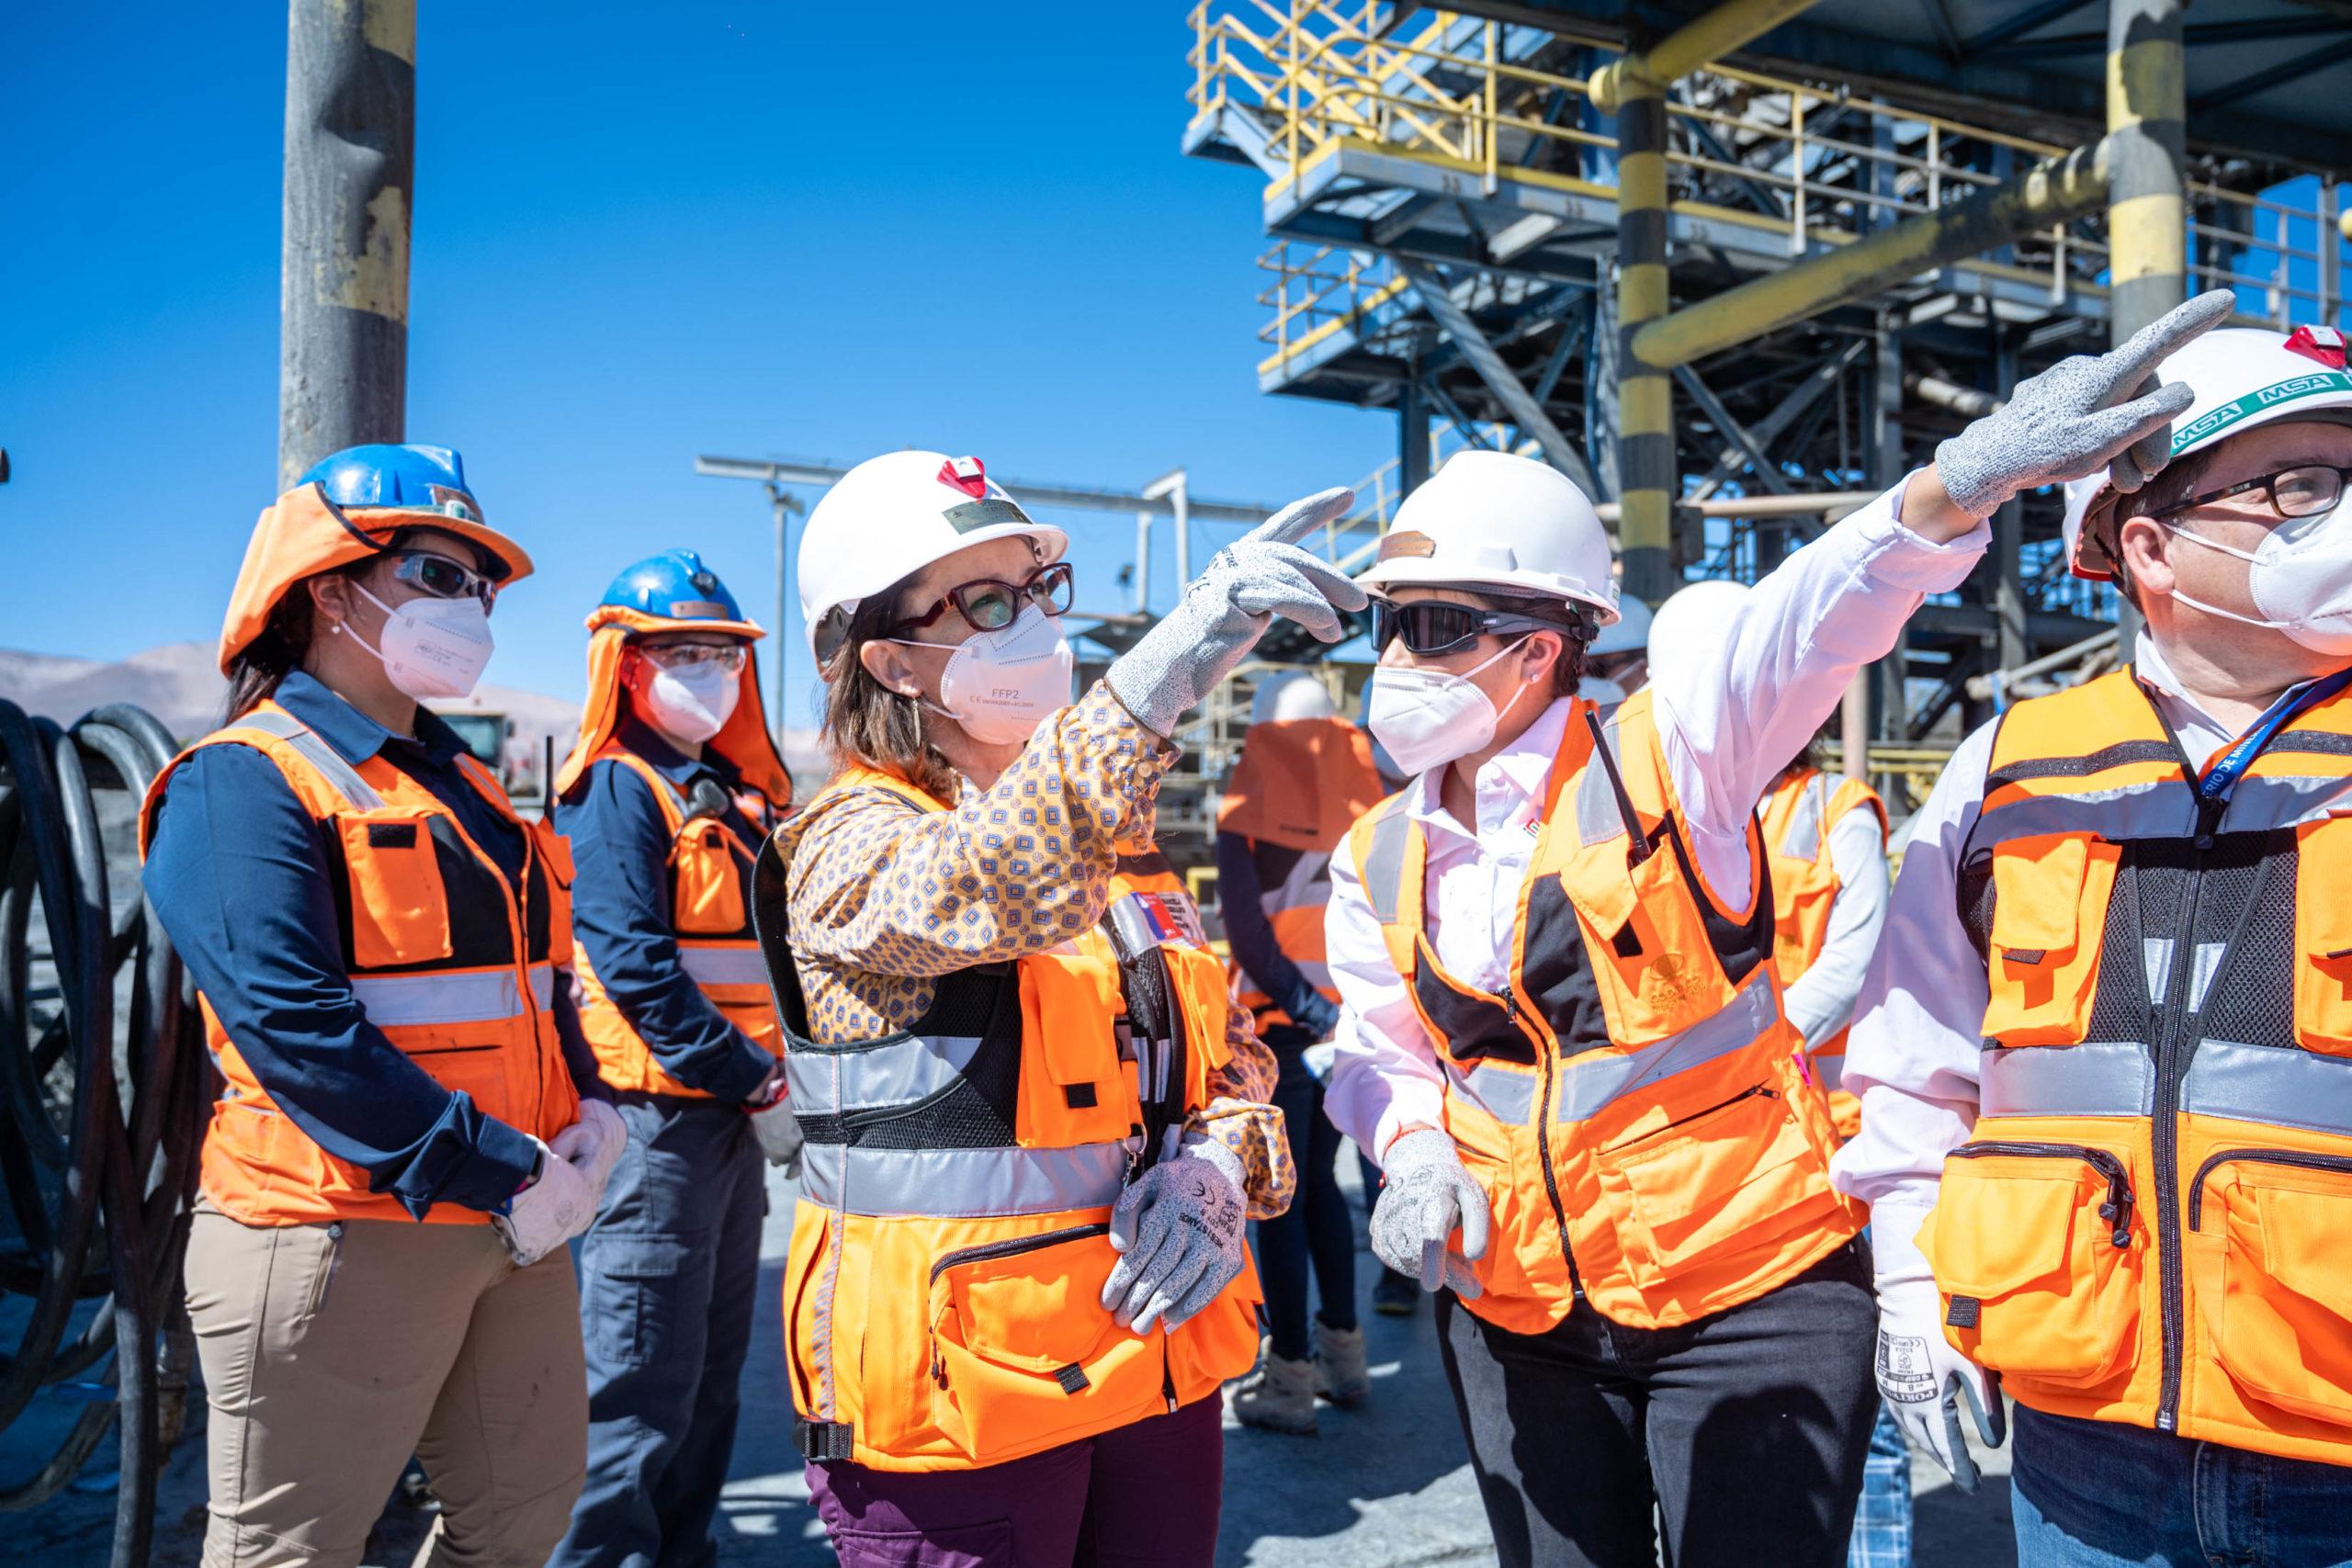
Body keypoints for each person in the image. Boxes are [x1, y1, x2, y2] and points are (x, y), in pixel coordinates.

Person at [1320, 288, 2225, 1568]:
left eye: (1433, 626)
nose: (1399, 659)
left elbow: (1805, 623)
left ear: (1543, 644)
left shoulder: (1674, 753)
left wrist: (1946, 493)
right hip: (1517, 1304)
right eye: (1390, 625)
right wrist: (1407, 1145)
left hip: (1752, 1285)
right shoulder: (1380, 850)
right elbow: (1382, 1045)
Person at [753, 451, 1363, 1565]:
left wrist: (1221, 1164)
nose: (1030, 626)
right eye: (987, 602)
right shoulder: (845, 846)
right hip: (958, 1408)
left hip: (1153, 1362)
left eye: (1035, 594)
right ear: (889, 659)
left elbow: (1226, 1062)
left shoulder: (1125, 857)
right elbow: (988, 878)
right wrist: (1180, 658)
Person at [1833, 308, 2352, 1566]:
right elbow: (1915, 1063)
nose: (2341, 513)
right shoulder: (2012, 769)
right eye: (2303, 483)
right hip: (2085, 1442)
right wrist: (1909, 1286)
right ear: (2149, 544)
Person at [141, 444, 625, 1568]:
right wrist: (508, 1172)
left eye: (482, 585)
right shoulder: (242, 778)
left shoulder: (461, 785)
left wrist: (592, 1113)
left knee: (520, 1522)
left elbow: (533, 985)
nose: (473, 609)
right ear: (328, 591)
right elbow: (296, 1029)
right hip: (337, 1230)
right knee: (290, 1552)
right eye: (438, 576)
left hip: (516, 1214)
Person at [1654, 581, 1914, 1568]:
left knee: (1858, 1396)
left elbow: (1856, 954)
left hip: (1826, 1134)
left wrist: (1750, 1054)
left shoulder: (1830, 809)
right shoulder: (1657, 812)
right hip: (1707, 1151)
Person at [548, 549, 797, 1568]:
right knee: (636, 1387)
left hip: (729, 1125)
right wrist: (760, 1082)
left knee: (706, 1376)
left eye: (725, 656)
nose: (711, 672)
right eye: (684, 652)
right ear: (629, 664)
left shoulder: (733, 799)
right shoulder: (619, 790)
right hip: (657, 1131)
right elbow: (641, 974)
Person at [1218, 672, 1387, 1433]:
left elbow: (1250, 937)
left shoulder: (1245, 806)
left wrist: (1307, 1011)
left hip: (1282, 1026)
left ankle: (1289, 1374)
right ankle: (1346, 1358)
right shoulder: (1368, 802)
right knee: (1321, 1187)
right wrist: (1337, 1014)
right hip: (1345, 1024)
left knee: (1278, 1200)